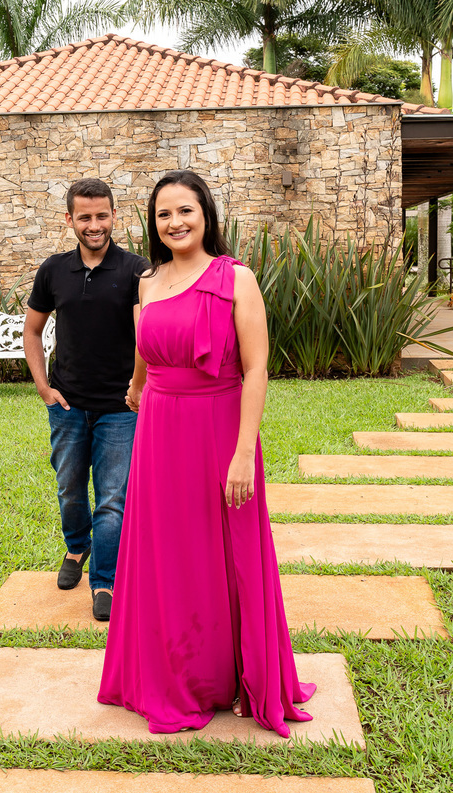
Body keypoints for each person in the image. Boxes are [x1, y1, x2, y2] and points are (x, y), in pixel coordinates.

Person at [97, 170, 315, 738]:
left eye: (185, 211)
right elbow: (145, 348)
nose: (175, 223)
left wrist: (245, 453)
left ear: (206, 214)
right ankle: (179, 673)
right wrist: (138, 386)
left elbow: (257, 368)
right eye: (163, 214)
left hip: (220, 430)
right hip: (159, 433)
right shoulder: (148, 281)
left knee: (229, 553)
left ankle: (236, 677)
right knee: (170, 555)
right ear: (154, 223)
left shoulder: (236, 277)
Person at [23, 178, 148, 622]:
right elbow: (33, 330)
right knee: (70, 490)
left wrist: (138, 387)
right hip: (68, 405)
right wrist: (43, 386)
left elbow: (147, 336)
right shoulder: (53, 270)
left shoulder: (138, 270)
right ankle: (76, 549)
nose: (94, 225)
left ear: (114, 215)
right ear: (70, 220)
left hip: (120, 409)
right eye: (84, 217)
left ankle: (105, 581)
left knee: (113, 498)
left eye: (101, 216)